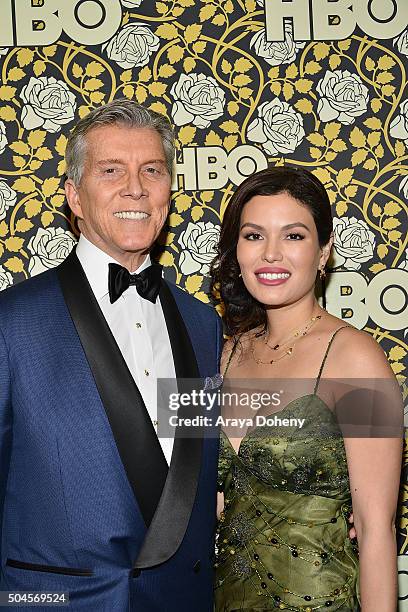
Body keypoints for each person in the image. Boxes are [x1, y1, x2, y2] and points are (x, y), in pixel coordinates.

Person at [0, 99, 222, 611]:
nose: (135, 188)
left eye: (152, 170)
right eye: (111, 171)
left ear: (169, 190)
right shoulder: (12, 322)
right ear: (74, 197)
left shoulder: (203, 324)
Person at [210, 167, 402, 611]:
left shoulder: (357, 359)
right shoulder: (220, 355)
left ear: (323, 253)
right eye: (254, 236)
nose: (271, 254)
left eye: (293, 236)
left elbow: (376, 531)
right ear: (236, 251)